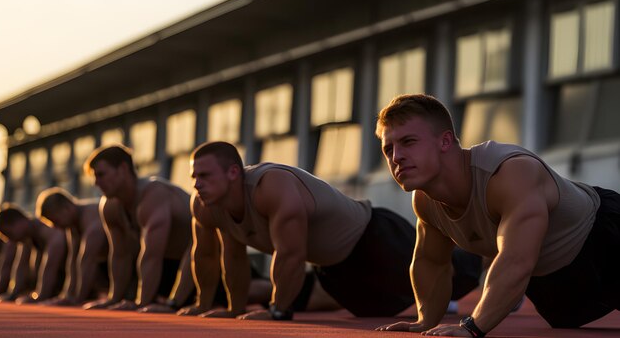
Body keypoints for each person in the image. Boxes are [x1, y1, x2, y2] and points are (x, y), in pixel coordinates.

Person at [375, 94, 620, 336]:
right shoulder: (424, 201)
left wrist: (472, 327)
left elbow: (517, 260)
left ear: (445, 141)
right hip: (549, 277)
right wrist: (425, 320)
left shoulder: (509, 172)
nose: (396, 157)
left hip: (604, 238)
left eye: (408, 142)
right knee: (565, 323)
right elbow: (432, 262)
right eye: (388, 149)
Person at [186, 141, 481, 320]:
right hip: (334, 268)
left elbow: (290, 254)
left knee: (457, 273)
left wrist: (278, 310)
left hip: (374, 239)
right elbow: (222, 258)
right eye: (194, 176)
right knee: (381, 312)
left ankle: (495, 266)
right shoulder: (205, 206)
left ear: (233, 172)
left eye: (204, 175)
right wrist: (227, 307)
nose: (197, 183)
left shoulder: (271, 186)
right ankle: (441, 300)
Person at [81, 145, 195, 313]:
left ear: (123, 169)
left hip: (207, 262)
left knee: (245, 291)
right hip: (170, 267)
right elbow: (120, 255)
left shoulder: (153, 194)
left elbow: (152, 255)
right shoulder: (110, 205)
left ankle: (174, 301)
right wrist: (114, 299)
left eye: (101, 175)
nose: (96, 182)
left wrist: (142, 304)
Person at [35, 187, 109, 305]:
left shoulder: (91, 219)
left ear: (67, 208)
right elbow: (73, 262)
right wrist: (67, 296)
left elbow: (88, 260)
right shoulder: (72, 226)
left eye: (56, 221)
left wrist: (77, 299)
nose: (56, 227)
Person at [0, 203, 67, 304]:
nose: (11, 240)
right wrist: (13, 294)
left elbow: (50, 266)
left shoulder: (47, 232)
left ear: (19, 222)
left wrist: (41, 296)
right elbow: (20, 266)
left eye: (9, 234)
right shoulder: (27, 237)